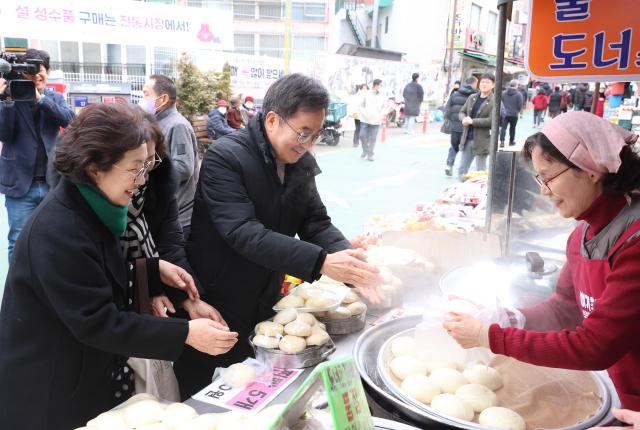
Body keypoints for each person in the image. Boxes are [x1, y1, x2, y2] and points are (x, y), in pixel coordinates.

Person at [0, 103, 238, 429]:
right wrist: (185, 333)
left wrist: (151, 270)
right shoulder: (61, 230)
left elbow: (94, 277)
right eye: (136, 168)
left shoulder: (94, 207)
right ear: (95, 167)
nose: (142, 181)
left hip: (80, 374)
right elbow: (99, 322)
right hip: (49, 390)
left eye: (148, 167)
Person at [174, 73, 381, 399]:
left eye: (314, 135)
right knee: (209, 390)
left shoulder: (300, 162)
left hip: (265, 294)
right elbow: (243, 232)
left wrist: (352, 263)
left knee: (256, 386)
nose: (308, 144)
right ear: (272, 120)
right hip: (216, 299)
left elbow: (316, 221)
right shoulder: (225, 158)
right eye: (303, 133)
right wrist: (322, 262)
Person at [444, 111, 640, 410]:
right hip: (623, 395)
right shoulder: (582, 236)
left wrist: (489, 336)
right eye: (539, 178)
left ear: (590, 169)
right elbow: (565, 309)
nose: (543, 190)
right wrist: (506, 318)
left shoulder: (633, 240)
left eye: (548, 177)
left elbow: (595, 345)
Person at [0, 48, 75, 261]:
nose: (35, 75)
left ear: (48, 72)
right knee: (17, 239)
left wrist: (40, 99)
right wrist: (5, 101)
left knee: (54, 238)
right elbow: (4, 133)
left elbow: (71, 121)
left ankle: (47, 284)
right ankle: (18, 290)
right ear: (22, 73)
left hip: (53, 183)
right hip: (20, 186)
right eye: (30, 71)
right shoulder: (10, 97)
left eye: (39, 70)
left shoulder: (54, 98)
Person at [140, 74, 199, 237]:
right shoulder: (155, 122)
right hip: (164, 208)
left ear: (162, 99)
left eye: (146, 94)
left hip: (181, 214)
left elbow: (184, 167)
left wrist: (149, 172)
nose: (142, 99)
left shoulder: (177, 125)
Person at [458, 73, 495, 179]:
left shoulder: (494, 101)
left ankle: (481, 194)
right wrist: (463, 119)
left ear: (493, 85)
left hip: (482, 140)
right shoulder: (472, 97)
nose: (484, 84)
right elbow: (462, 112)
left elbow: (492, 121)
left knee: (481, 172)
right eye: (482, 82)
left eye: (487, 82)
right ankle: (462, 192)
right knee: (462, 170)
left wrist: (472, 121)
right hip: (467, 138)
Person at [443, 76, 477, 176]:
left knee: (454, 146)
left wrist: (449, 119)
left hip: (455, 127)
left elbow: (447, 108)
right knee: (466, 148)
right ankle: (463, 171)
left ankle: (449, 165)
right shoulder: (475, 95)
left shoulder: (455, 94)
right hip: (468, 126)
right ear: (474, 83)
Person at [359, 78, 387, 161]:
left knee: (373, 138)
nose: (382, 87)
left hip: (376, 120)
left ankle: (370, 154)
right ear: (376, 85)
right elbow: (361, 105)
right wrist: (364, 114)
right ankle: (365, 150)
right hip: (365, 119)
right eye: (381, 85)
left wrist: (382, 114)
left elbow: (384, 106)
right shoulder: (366, 94)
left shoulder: (382, 95)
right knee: (362, 135)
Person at [499, 79, 524, 147]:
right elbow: (520, 105)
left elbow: (500, 103)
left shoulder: (503, 93)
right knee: (512, 128)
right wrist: (517, 111)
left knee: (503, 128)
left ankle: (502, 142)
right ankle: (511, 141)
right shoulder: (519, 94)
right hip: (514, 114)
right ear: (516, 85)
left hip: (504, 113)